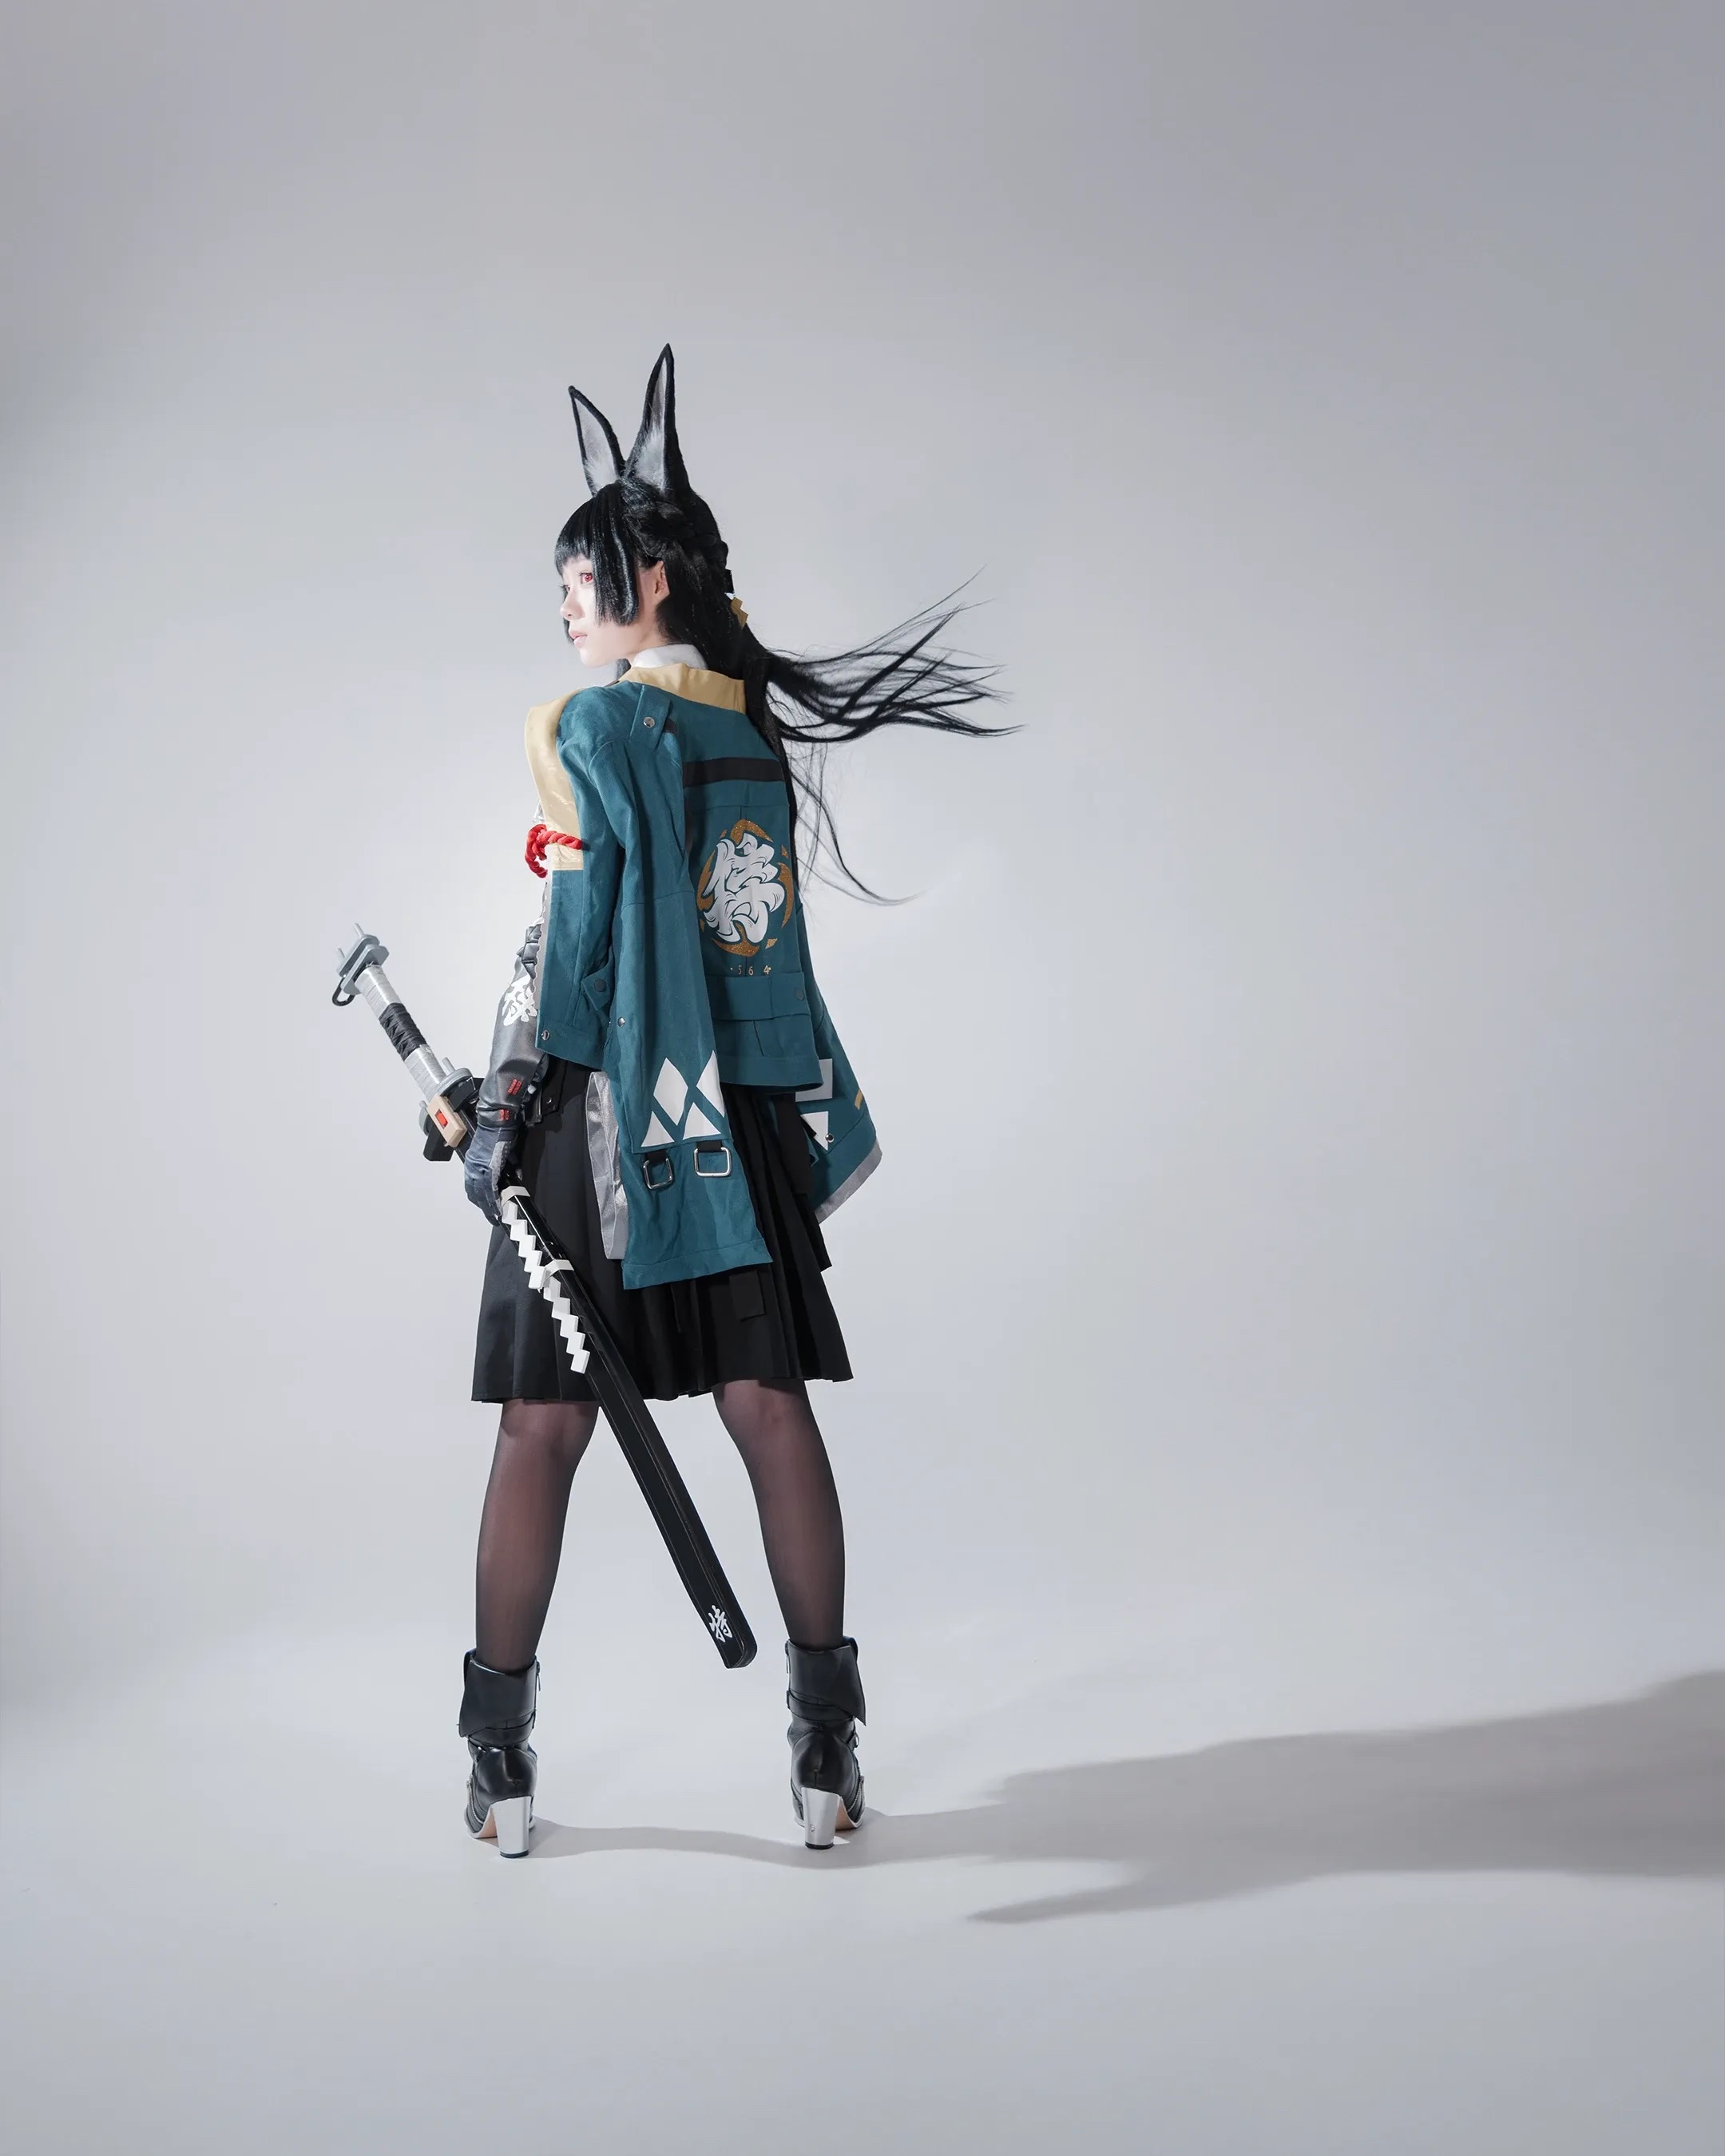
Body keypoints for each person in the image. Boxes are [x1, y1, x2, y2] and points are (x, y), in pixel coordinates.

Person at [446, 347, 1000, 1856]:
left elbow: (578, 960)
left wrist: (501, 1103)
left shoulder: (591, 730)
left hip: (598, 1124)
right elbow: (760, 962)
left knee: (540, 1430)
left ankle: (500, 1764)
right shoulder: (746, 733)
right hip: (730, 1121)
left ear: (644, 581)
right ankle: (828, 1752)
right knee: (767, 1407)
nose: (567, 608)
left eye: (578, 582)